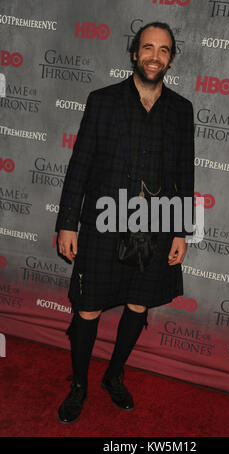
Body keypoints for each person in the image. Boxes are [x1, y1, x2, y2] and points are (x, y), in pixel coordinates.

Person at [55, 21, 195, 424]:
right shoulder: (103, 101)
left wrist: (181, 229)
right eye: (147, 47)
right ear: (134, 53)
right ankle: (79, 385)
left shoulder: (181, 111)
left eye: (163, 50)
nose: (155, 55)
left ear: (170, 58)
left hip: (156, 224)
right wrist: (67, 222)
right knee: (88, 307)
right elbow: (79, 164)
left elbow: (184, 175)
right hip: (101, 223)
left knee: (138, 303)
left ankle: (113, 375)